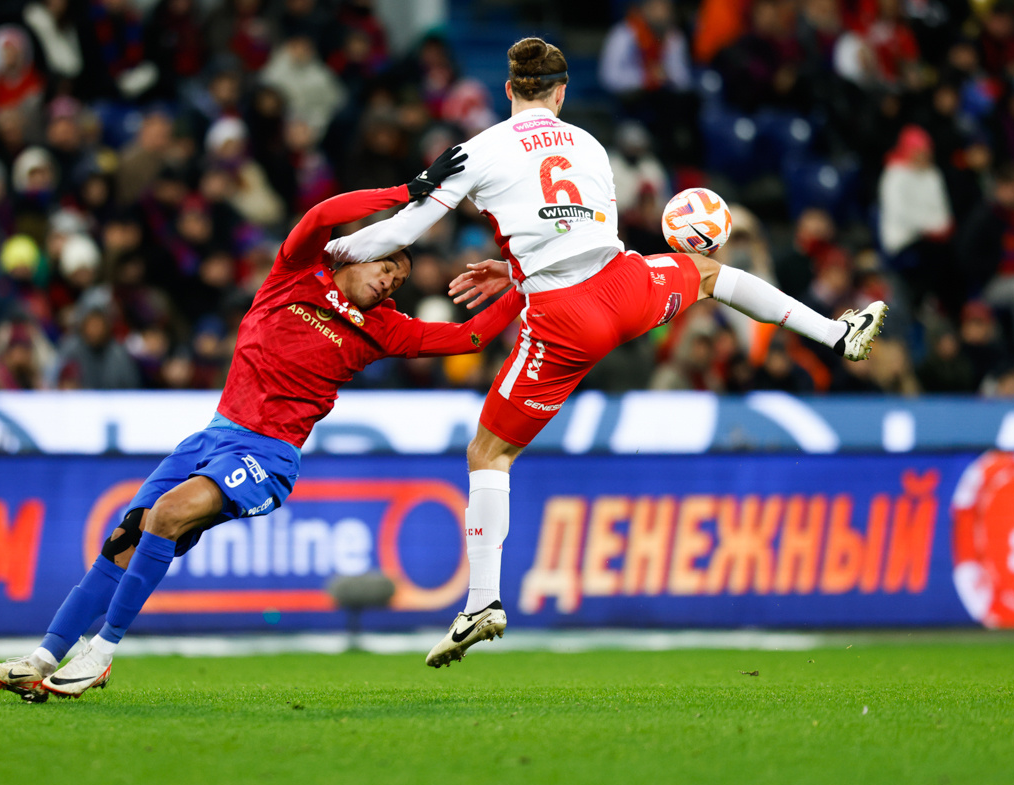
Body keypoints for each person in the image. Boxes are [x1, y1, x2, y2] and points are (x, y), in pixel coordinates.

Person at [326, 37, 888, 668]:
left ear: (507, 90)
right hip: (625, 290)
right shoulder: (591, 144)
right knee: (706, 273)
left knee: (490, 452)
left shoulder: (478, 148)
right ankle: (838, 333)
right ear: (562, 93)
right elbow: (578, 235)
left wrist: (327, 257)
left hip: (565, 318)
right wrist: (513, 273)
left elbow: (403, 230)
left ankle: (482, 602)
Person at [0, 148, 526, 701]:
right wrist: (405, 194)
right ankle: (42, 658)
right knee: (121, 541)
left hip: (268, 455)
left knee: (166, 515)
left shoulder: (384, 328)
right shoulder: (296, 274)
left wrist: (526, 283)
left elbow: (468, 337)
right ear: (356, 256)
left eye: (399, 280)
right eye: (386, 265)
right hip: (213, 436)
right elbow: (319, 217)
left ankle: (102, 652)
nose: (389, 282)